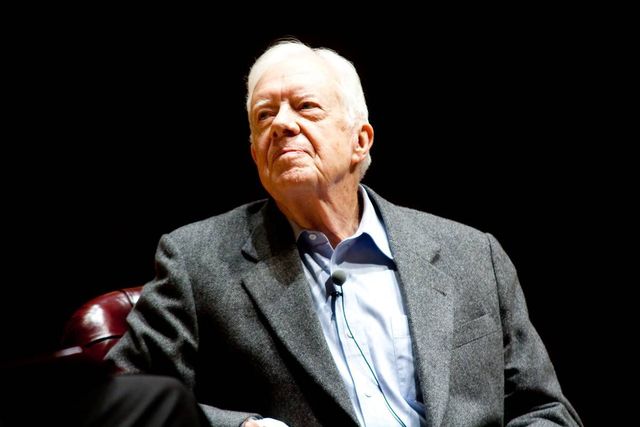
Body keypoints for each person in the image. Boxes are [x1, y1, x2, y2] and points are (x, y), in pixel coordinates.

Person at [105, 39, 583, 427]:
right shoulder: (197, 259)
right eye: (264, 115)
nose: (282, 124)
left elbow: (544, 410)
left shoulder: (473, 255)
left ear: (360, 140)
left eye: (306, 107)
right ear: (254, 155)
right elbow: (122, 398)